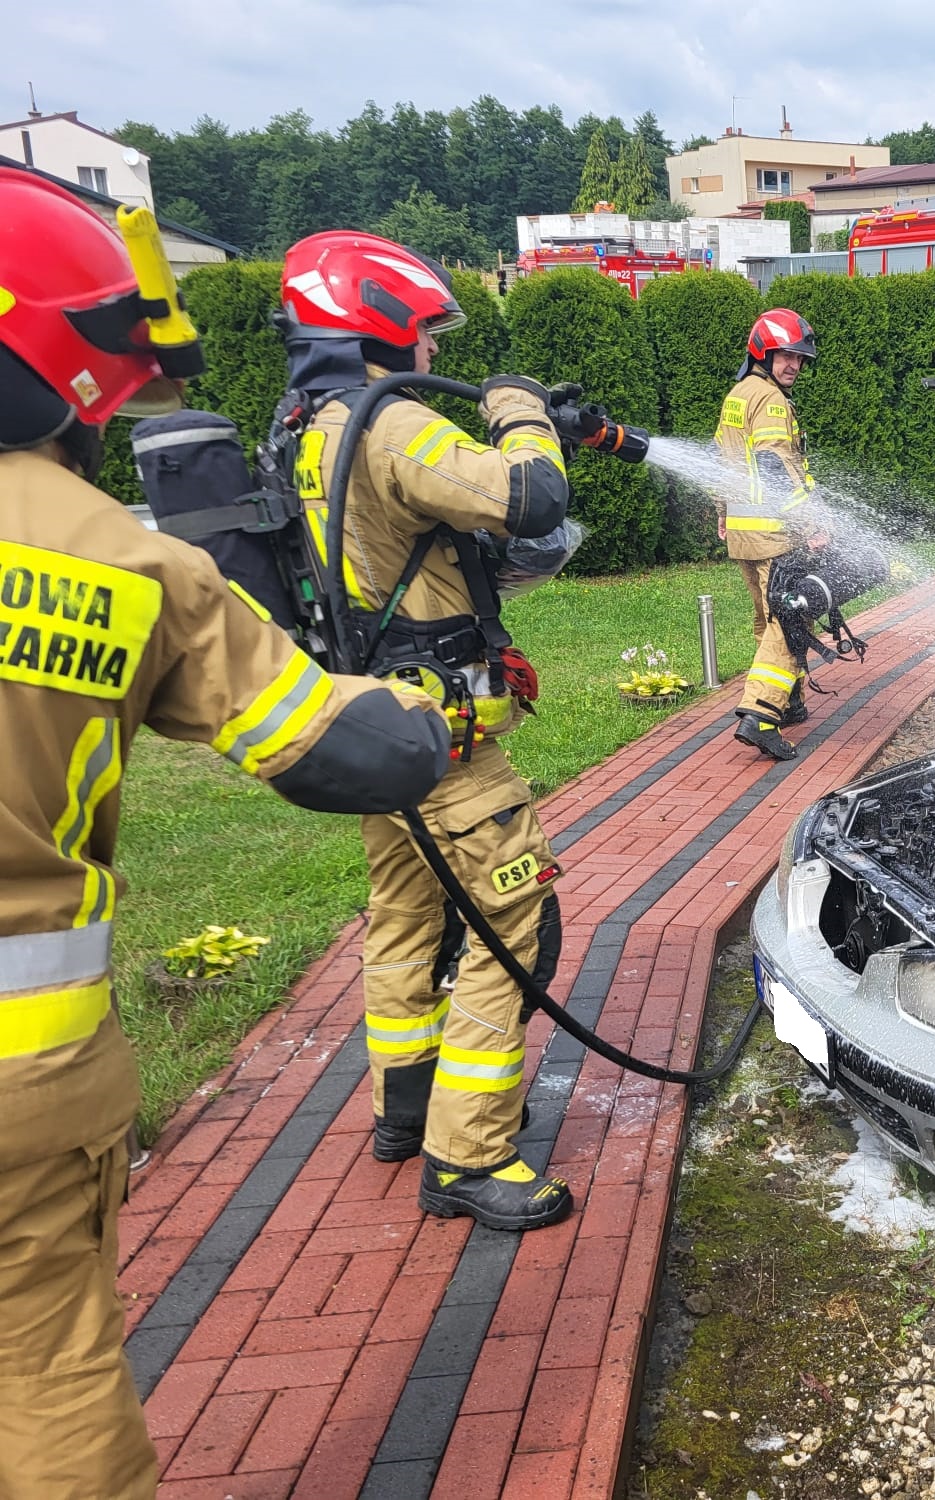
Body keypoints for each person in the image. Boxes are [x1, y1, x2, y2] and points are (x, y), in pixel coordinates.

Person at [0, 168, 453, 1498]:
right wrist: (431, 708)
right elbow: (348, 751)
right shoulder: (112, 559)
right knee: (44, 1382)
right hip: (22, 1094)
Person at [277, 230, 575, 1232]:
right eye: (427, 334)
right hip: (443, 737)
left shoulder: (307, 425)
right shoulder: (394, 426)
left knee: (404, 916)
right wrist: (522, 412)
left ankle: (402, 1107)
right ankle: (468, 1153)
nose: (434, 354)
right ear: (382, 323)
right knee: (515, 922)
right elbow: (533, 495)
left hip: (374, 728)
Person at [714, 308, 821, 762]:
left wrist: (723, 513)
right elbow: (775, 467)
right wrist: (811, 523)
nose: (793, 365)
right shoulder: (773, 402)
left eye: (798, 358)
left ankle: (789, 699)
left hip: (744, 531)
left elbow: (724, 461)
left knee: (767, 618)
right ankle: (760, 714)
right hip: (776, 531)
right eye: (785, 356)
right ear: (764, 352)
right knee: (789, 619)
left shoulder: (738, 395)